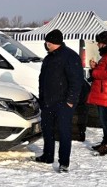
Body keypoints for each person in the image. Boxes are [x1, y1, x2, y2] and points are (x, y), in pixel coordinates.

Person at [33, 29, 84, 173]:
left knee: (64, 133)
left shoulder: (70, 57)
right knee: (47, 131)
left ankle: (64, 163)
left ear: (52, 42)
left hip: (63, 104)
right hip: (48, 102)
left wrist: (70, 101)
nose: (45, 44)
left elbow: (76, 81)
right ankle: (48, 156)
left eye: (47, 42)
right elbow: (43, 79)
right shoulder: (49, 57)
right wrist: (42, 98)